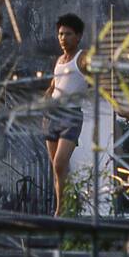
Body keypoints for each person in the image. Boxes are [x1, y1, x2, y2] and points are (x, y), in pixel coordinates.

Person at [43, 13, 90, 215]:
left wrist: (119, 107)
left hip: (71, 116)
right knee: (58, 170)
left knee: (60, 163)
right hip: (52, 115)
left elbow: (103, 80)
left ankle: (59, 211)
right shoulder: (60, 60)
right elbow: (54, 86)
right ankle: (70, 207)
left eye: (68, 34)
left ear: (78, 36)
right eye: (60, 34)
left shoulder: (83, 57)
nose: (63, 38)